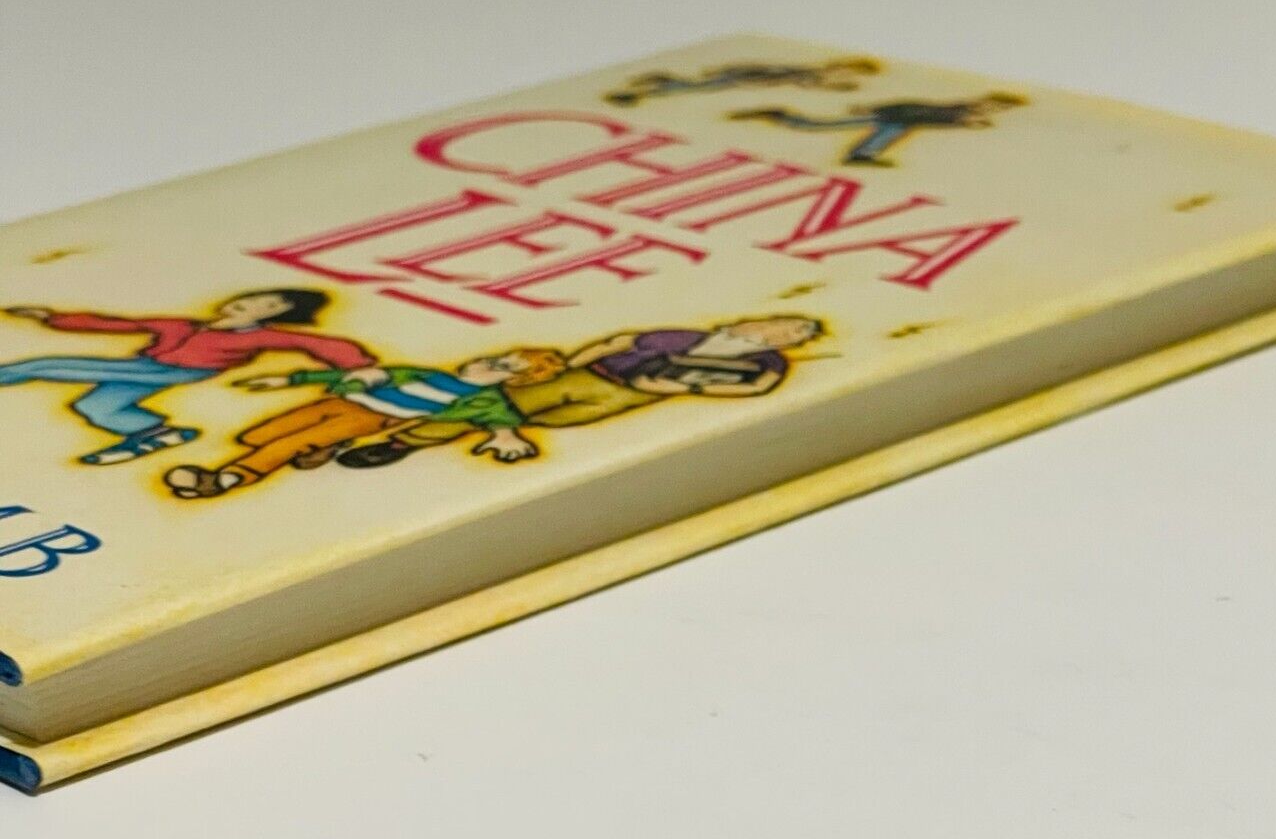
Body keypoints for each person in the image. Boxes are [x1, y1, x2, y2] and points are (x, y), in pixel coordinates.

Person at [337, 314, 823, 469]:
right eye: (782, 324)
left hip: (632, 394)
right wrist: (568, 365)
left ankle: (493, 435)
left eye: (793, 334)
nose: (780, 333)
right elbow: (618, 342)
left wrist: (692, 385)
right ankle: (402, 442)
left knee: (552, 420)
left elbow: (758, 387)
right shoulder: (681, 335)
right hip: (592, 373)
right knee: (496, 405)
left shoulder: (767, 363)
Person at [0, 290, 373, 464]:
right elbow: (118, 325)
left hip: (180, 371)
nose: (255, 305)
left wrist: (359, 366)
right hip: (149, 366)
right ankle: (153, 432)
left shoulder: (261, 335)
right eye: (258, 298)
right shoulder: (178, 324)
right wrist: (51, 317)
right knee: (96, 405)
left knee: (46, 365)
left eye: (272, 306)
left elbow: (318, 343)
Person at [161, 347, 565, 498]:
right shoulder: (424, 372)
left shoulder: (482, 398)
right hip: (340, 401)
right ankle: (321, 450)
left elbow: (500, 418)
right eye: (492, 357)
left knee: (281, 447)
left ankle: (225, 479)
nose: (484, 363)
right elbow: (362, 375)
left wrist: (507, 437)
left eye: (501, 366)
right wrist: (289, 380)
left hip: (371, 418)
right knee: (258, 435)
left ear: (515, 380)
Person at [729, 91, 1026, 167]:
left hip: (895, 121)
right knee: (818, 126)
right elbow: (916, 106)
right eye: (992, 106)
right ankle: (780, 115)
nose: (989, 111)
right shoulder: (956, 108)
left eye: (996, 110)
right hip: (888, 116)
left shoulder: (959, 112)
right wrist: (873, 108)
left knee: (890, 134)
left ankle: (860, 155)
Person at [604, 58, 879, 107]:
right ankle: (643, 90)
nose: (844, 72)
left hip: (741, 77)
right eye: (848, 69)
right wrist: (838, 87)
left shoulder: (810, 70)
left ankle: (651, 85)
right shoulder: (810, 71)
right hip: (741, 77)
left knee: (691, 86)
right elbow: (807, 81)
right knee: (693, 87)